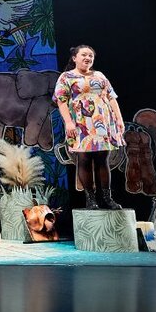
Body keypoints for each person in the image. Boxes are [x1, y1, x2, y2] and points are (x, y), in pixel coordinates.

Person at [53, 44, 125, 209]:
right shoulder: (67, 77)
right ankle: (90, 199)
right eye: (84, 55)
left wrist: (119, 120)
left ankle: (107, 198)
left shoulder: (99, 75)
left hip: (102, 120)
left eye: (90, 56)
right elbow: (61, 101)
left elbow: (111, 97)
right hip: (81, 122)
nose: (88, 58)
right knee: (84, 159)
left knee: (103, 159)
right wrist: (69, 122)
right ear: (75, 58)